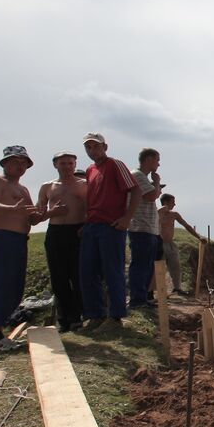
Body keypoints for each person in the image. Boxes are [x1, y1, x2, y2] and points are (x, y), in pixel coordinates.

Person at [0, 145, 43, 352]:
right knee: (0, 284)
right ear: (5, 162)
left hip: (19, 239)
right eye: (15, 162)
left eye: (23, 163)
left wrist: (50, 213)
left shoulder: (23, 190)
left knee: (15, 287)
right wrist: (11, 209)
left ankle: (0, 332)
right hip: (1, 237)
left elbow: (33, 218)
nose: (20, 166)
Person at [79, 133, 142, 330]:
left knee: (112, 271)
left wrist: (127, 218)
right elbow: (93, 198)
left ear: (104, 147)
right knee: (87, 272)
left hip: (111, 226)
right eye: (88, 147)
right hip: (92, 226)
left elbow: (136, 190)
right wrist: (85, 222)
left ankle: (116, 317)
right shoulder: (90, 170)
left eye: (95, 146)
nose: (92, 151)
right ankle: (95, 314)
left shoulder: (115, 164)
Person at [37, 151, 88, 333]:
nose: (67, 167)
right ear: (55, 165)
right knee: (58, 277)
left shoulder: (84, 185)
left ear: (75, 165)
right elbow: (36, 216)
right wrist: (52, 213)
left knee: (78, 275)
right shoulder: (47, 187)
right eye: (63, 163)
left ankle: (78, 316)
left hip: (78, 231)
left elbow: (93, 209)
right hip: (55, 232)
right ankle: (64, 318)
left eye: (70, 163)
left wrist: (86, 225)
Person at [128, 148, 164, 308]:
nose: (158, 164)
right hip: (140, 227)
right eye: (157, 160)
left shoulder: (142, 177)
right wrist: (156, 182)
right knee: (141, 265)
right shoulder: (137, 175)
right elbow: (151, 196)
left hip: (149, 228)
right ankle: (137, 300)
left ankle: (142, 298)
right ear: (148, 159)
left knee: (147, 265)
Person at [158, 193, 199, 296]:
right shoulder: (157, 213)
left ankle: (177, 288)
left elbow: (186, 225)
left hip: (171, 244)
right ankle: (160, 291)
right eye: (173, 202)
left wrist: (199, 237)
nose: (175, 204)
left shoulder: (174, 214)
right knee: (159, 268)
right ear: (166, 202)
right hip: (159, 244)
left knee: (176, 266)